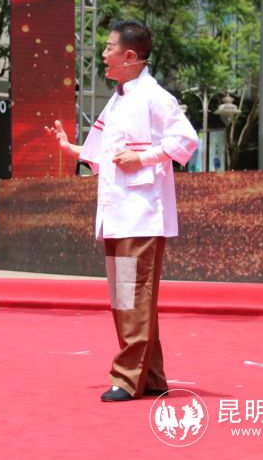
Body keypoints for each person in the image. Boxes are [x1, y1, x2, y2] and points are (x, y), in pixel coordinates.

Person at [45, 21, 198, 402]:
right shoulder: (118, 99)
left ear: (129, 56)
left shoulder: (153, 96)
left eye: (109, 47)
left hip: (141, 215)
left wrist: (143, 157)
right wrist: (71, 149)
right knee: (127, 297)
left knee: (132, 296)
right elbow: (102, 152)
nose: (103, 54)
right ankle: (152, 377)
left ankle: (128, 377)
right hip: (118, 215)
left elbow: (186, 140)